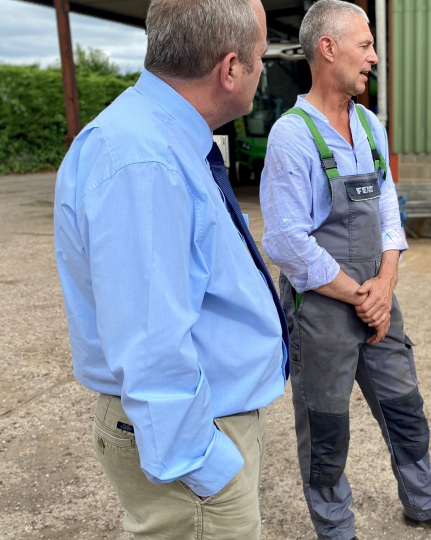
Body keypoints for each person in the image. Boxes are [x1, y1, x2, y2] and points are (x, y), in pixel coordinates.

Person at [53, 1, 289, 538]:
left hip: (206, 420)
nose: (260, 72)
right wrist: (205, 467)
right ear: (230, 69)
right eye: (259, 59)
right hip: (194, 446)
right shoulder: (146, 161)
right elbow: (150, 344)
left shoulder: (159, 139)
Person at [259, 2, 431, 539]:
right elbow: (288, 243)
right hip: (321, 307)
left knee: (404, 406)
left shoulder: (369, 125)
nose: (374, 57)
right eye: (364, 45)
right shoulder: (292, 137)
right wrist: (360, 297)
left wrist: (384, 285)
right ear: (328, 48)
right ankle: (336, 530)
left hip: (376, 296)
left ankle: (426, 503)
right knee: (327, 428)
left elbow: (388, 207)